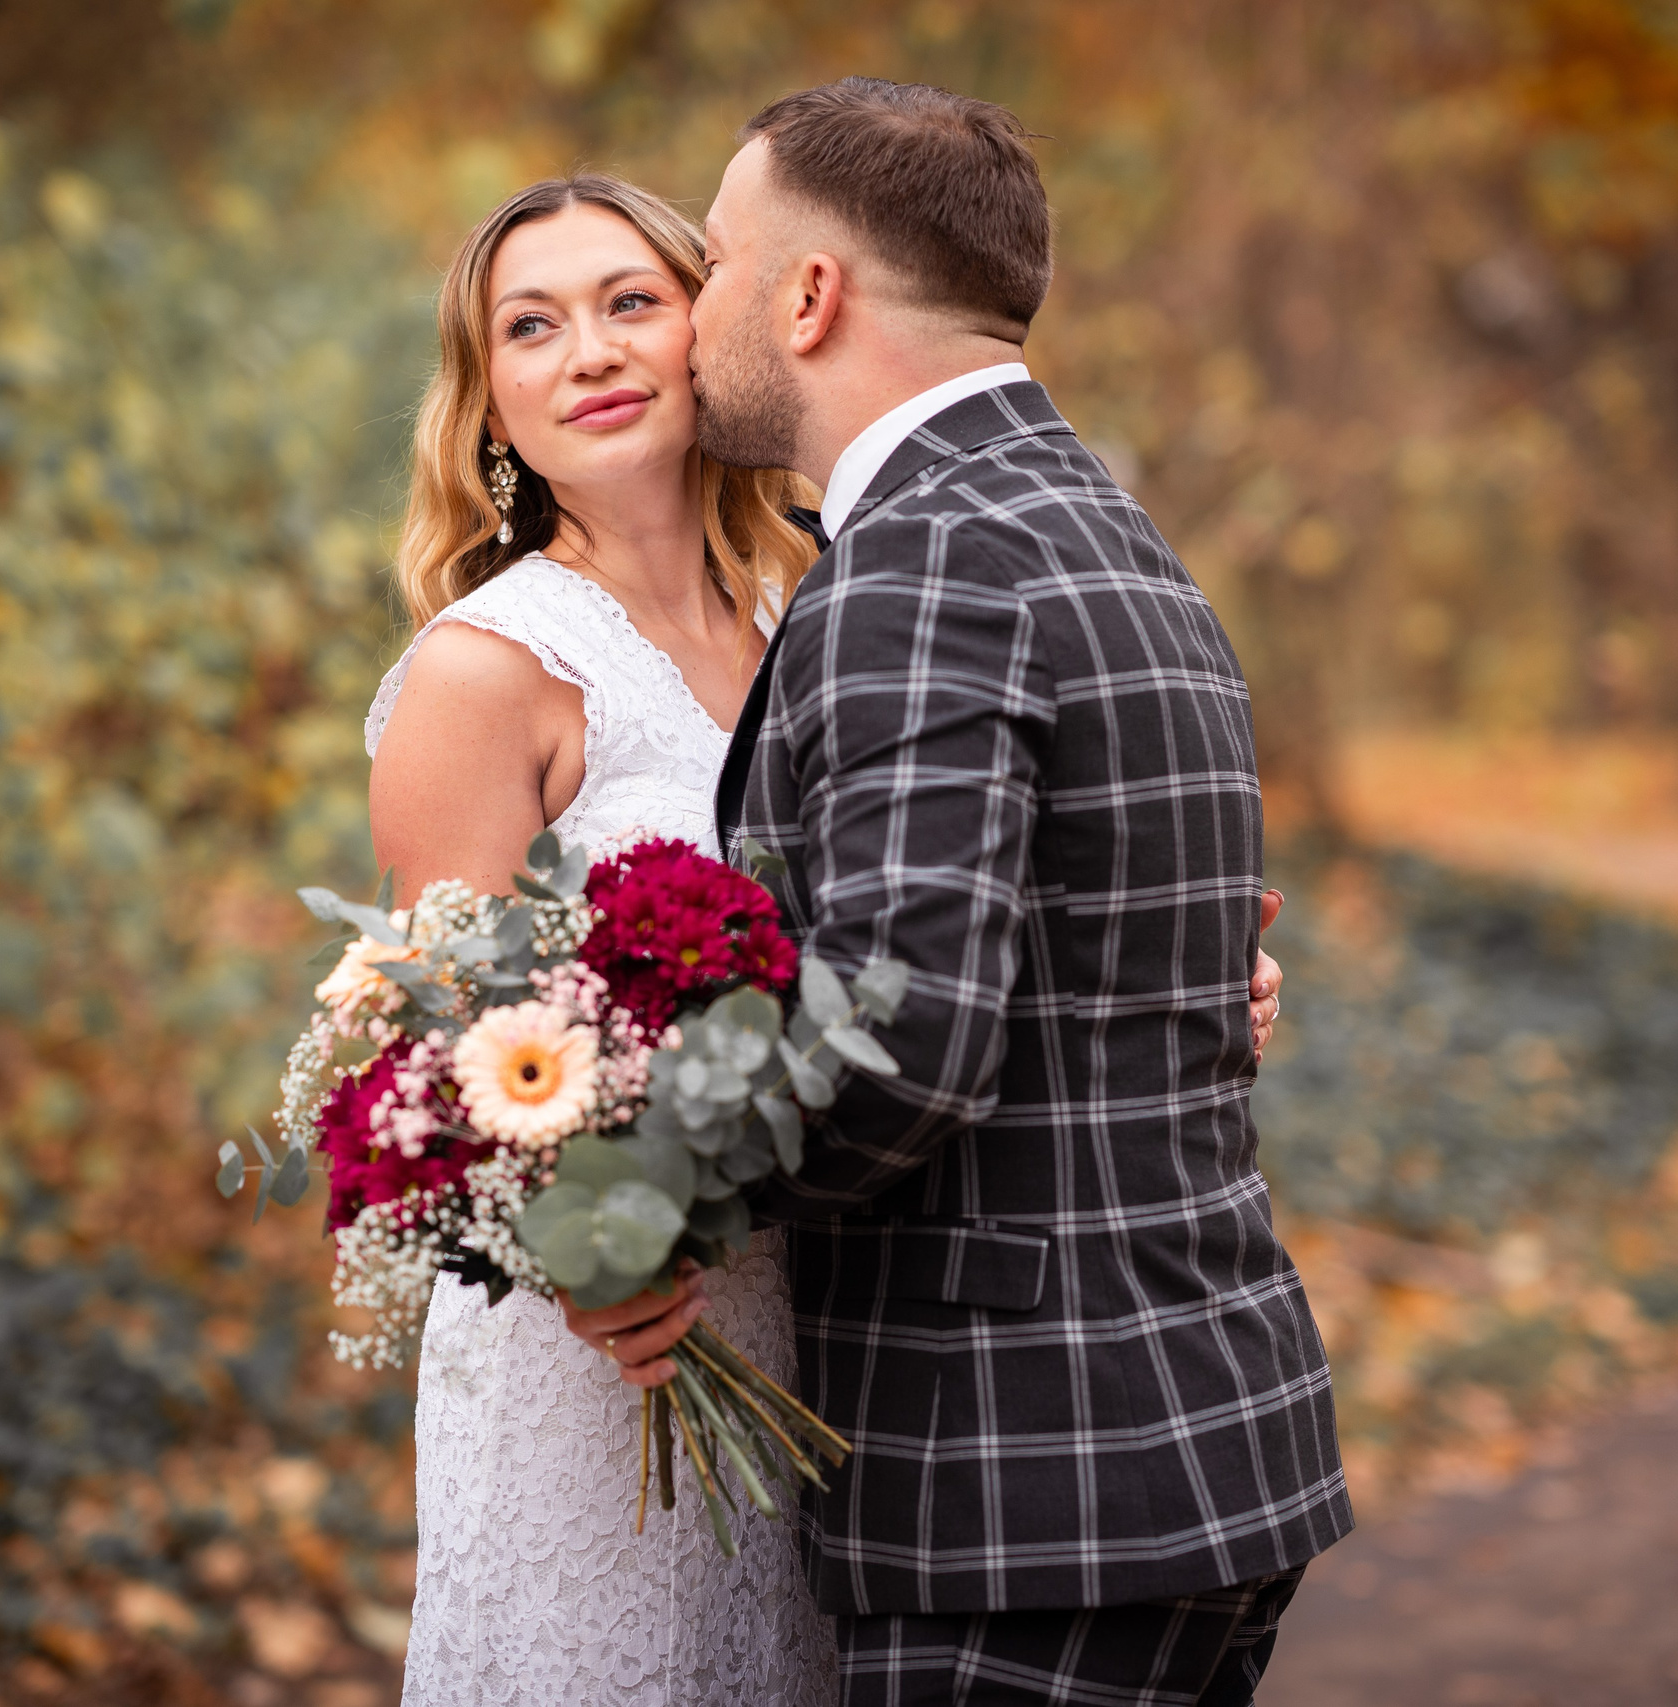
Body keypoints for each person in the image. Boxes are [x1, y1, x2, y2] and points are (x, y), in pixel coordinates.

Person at [563, 79, 1348, 1705]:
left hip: (1026, 1474)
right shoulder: (1109, 536)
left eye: (712, 269)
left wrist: (634, 1192)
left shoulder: (921, 565)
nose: (691, 316)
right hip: (1188, 1434)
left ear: (808, 296)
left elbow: (903, 1052)